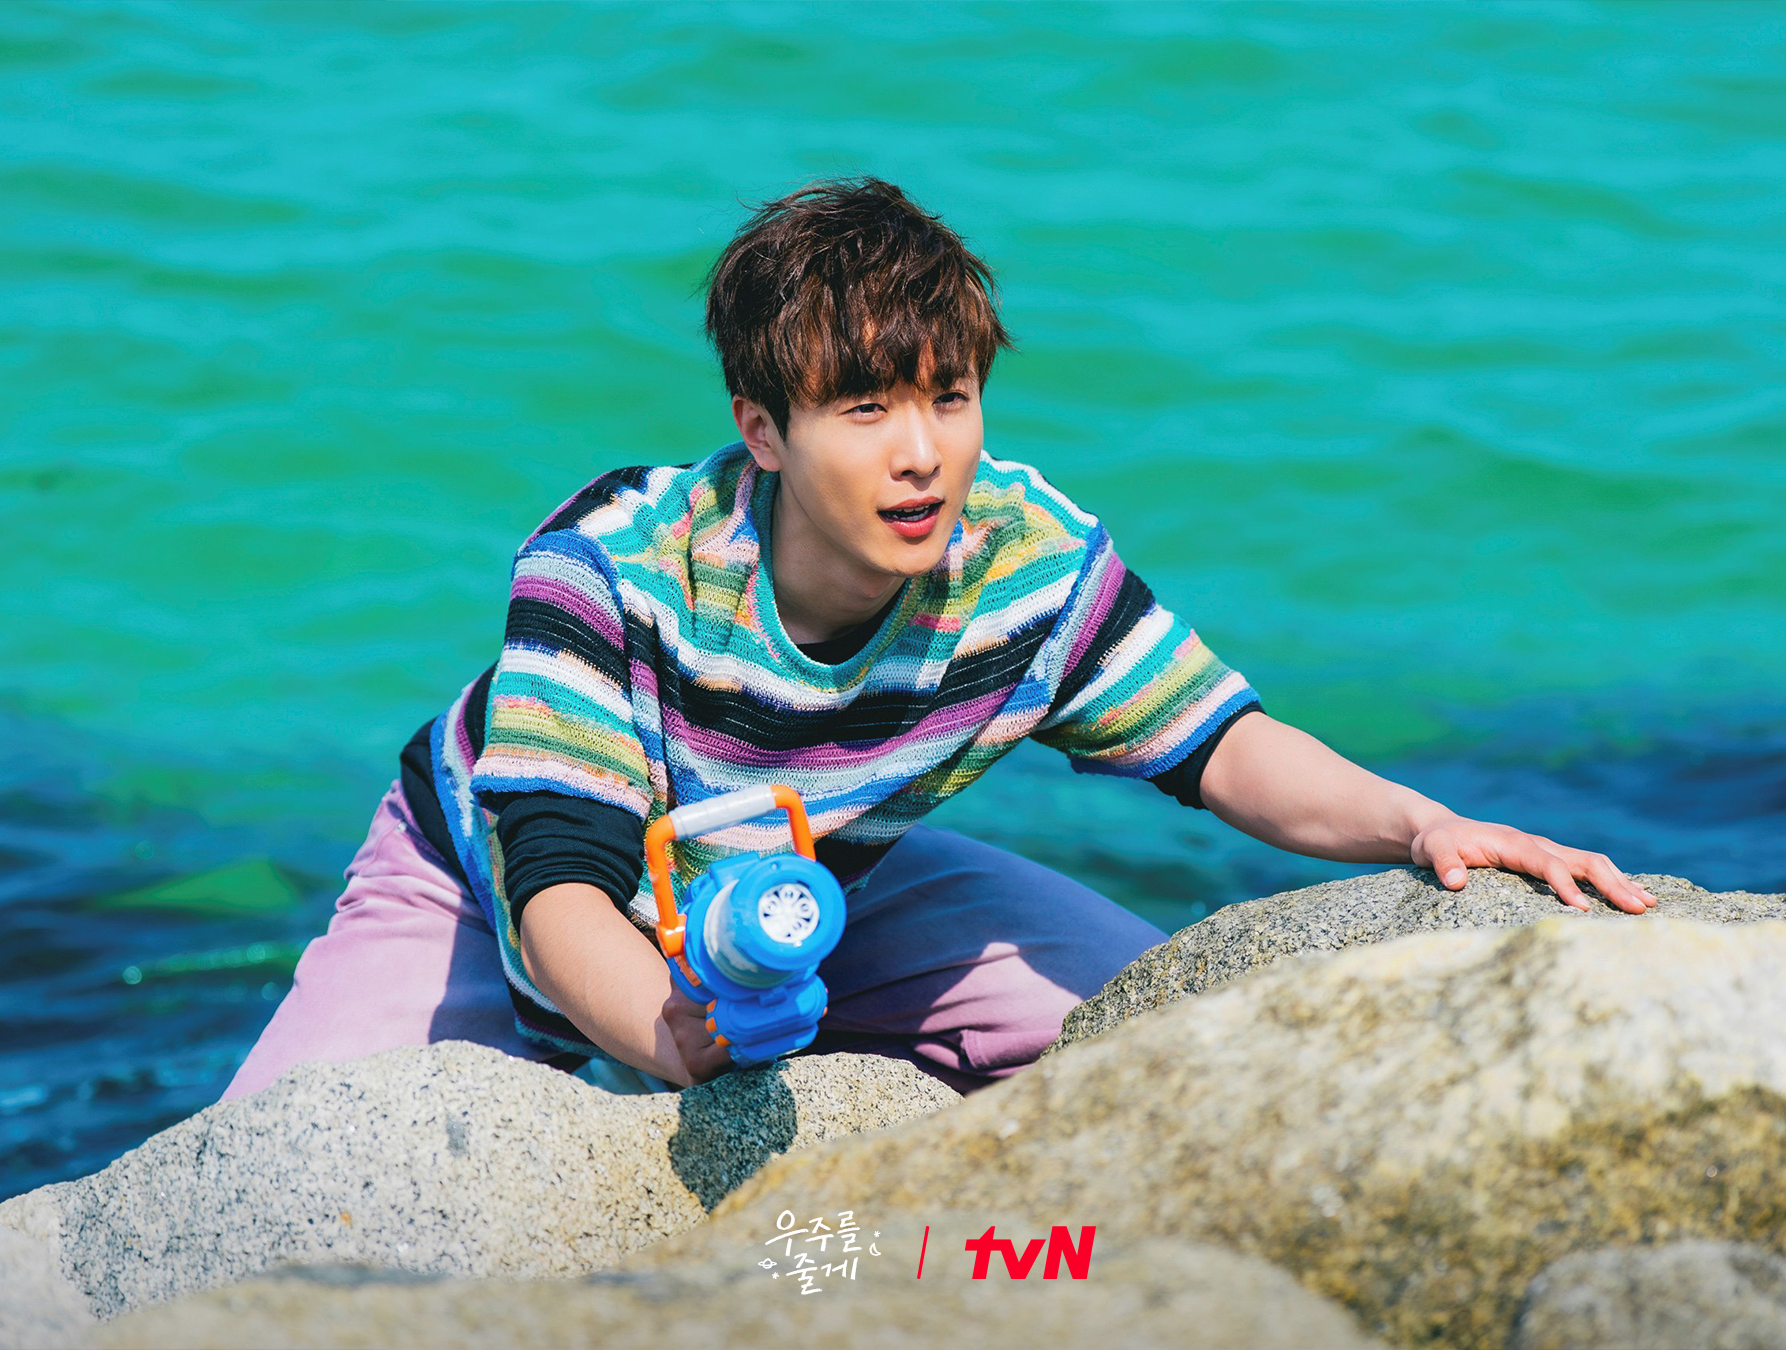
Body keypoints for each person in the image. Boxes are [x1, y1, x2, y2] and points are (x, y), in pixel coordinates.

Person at [223, 177, 1654, 1103]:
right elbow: (559, 886)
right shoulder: (612, 566)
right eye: (864, 410)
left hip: (816, 880)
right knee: (286, 1176)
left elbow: (1220, 746)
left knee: (1154, 1041)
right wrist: (671, 1042)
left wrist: (1426, 825)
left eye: (949, 397)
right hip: (483, 888)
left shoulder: (1021, 559)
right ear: (762, 430)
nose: (921, 455)